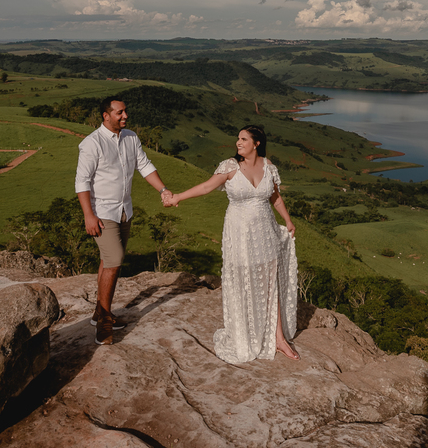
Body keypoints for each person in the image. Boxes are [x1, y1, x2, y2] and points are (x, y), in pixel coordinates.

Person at [163, 124, 299, 362]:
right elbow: (207, 186)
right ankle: (245, 332)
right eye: (238, 139)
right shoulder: (230, 166)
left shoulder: (268, 167)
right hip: (239, 233)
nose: (238, 143)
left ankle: (278, 339)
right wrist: (177, 198)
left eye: (244, 139)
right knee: (244, 279)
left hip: (265, 231)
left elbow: (275, 197)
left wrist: (287, 220)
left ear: (256, 143)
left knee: (270, 280)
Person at [76, 96, 172, 345]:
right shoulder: (91, 144)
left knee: (107, 260)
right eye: (119, 113)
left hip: (124, 211)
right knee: (115, 260)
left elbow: (145, 165)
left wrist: (164, 190)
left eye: (125, 112)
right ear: (105, 116)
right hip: (102, 212)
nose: (125, 116)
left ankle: (99, 313)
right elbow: (82, 182)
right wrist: (88, 215)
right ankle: (105, 321)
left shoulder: (131, 137)